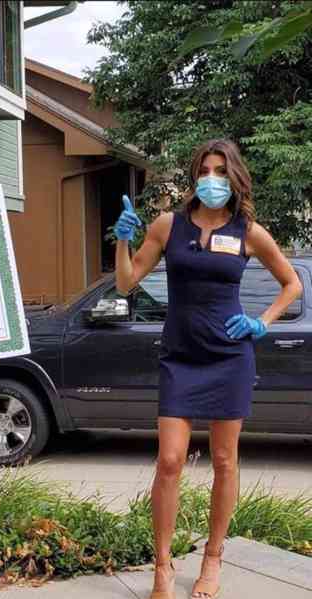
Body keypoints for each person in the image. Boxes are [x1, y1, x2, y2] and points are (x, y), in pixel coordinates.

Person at [113, 139, 302, 599]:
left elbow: (291, 283)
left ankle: (213, 558)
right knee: (170, 461)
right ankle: (162, 565)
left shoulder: (248, 231)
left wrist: (262, 322)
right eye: (204, 170)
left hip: (229, 357)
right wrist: (122, 238)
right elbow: (125, 281)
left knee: (223, 460)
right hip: (180, 356)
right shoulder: (168, 225)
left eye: (220, 171)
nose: (211, 179)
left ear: (234, 178)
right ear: (194, 176)